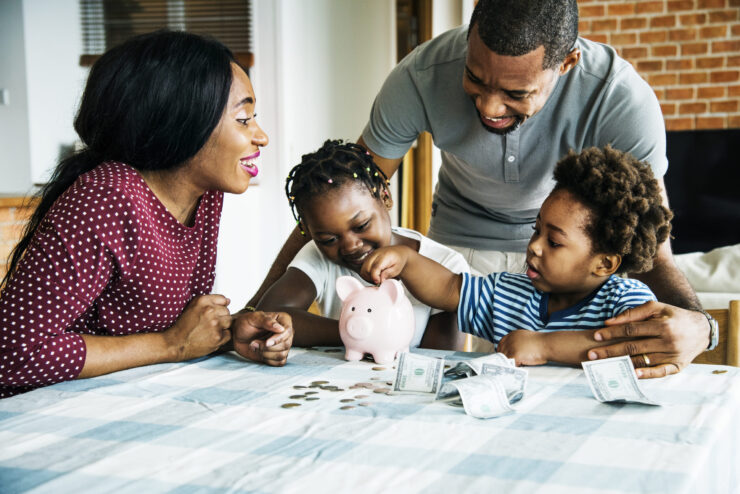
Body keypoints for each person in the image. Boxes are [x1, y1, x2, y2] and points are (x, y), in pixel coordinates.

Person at [248, 0, 714, 378]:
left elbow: (655, 252)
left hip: (573, 253)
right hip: (459, 249)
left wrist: (702, 326)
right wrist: (250, 313)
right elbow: (342, 193)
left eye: (516, 93)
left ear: (567, 62)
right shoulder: (420, 76)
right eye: (475, 78)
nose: (490, 106)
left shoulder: (620, 99)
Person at [0, 31, 293, 398]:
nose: (261, 136)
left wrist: (229, 332)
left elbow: (172, 329)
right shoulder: (106, 197)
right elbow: (12, 353)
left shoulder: (205, 196)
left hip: (127, 399)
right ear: (184, 121)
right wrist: (171, 345)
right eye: (243, 119)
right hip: (37, 416)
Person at [361, 146, 672, 371]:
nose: (535, 246)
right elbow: (449, 289)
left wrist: (543, 346)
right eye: (536, 231)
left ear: (604, 264)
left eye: (554, 242)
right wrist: (407, 261)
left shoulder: (627, 302)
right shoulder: (510, 293)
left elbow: (629, 347)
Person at [253, 139, 467, 351]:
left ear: (385, 197)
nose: (350, 246)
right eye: (329, 239)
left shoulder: (446, 265)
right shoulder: (318, 255)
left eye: (362, 225)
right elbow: (269, 314)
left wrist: (364, 332)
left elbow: (440, 358)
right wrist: (353, 331)